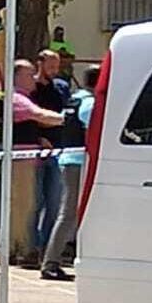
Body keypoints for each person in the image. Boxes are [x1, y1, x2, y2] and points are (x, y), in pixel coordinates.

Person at [41, 65, 99, 281]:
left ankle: (54, 260)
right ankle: (51, 263)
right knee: (69, 214)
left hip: (69, 159)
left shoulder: (75, 99)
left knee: (71, 213)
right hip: (78, 162)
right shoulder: (90, 104)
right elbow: (95, 130)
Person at [7, 58, 66, 268]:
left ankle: (16, 250)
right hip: (21, 160)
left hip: (30, 158)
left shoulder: (25, 97)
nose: (34, 78)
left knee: (24, 206)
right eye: (29, 74)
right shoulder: (18, 99)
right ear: (17, 77)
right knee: (24, 207)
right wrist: (67, 118)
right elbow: (40, 115)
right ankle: (22, 251)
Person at [27, 49, 71, 269]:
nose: (54, 71)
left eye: (57, 66)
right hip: (36, 150)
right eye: (51, 66)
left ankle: (47, 248)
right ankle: (31, 249)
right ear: (40, 64)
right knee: (35, 202)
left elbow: (66, 115)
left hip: (58, 151)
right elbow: (29, 117)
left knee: (54, 202)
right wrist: (40, 136)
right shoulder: (30, 89)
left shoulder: (61, 88)